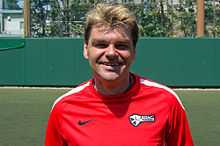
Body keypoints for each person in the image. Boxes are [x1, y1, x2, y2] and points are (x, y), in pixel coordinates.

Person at [44, 3, 194, 146]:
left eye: (121, 45)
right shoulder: (63, 108)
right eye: (101, 44)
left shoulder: (166, 102)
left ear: (134, 52)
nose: (111, 53)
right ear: (86, 49)